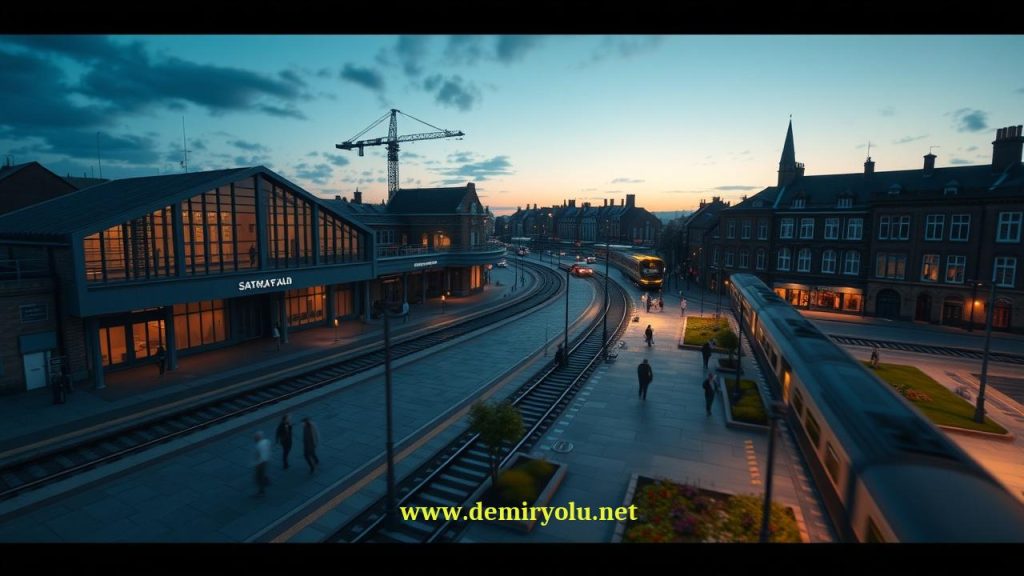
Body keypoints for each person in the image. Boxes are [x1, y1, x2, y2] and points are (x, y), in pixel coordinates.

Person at [253, 431, 271, 496]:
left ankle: (261, 491)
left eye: (255, 438)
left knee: (258, 477)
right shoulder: (266, 441)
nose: (254, 439)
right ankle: (266, 480)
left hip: (261, 463)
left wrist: (256, 464)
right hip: (266, 460)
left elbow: (259, 456)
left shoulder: (259, 445)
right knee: (262, 474)